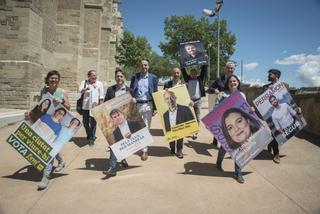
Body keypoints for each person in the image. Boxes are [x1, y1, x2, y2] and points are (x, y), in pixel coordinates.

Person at [25, 70, 70, 190]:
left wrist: (62, 102)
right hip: (44, 121)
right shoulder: (44, 91)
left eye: (56, 78)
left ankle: (46, 177)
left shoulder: (62, 92)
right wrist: (30, 112)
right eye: (52, 78)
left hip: (56, 124)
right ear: (48, 79)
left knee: (48, 150)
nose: (54, 80)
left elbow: (69, 108)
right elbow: (39, 103)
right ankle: (61, 161)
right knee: (47, 146)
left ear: (59, 80)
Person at [215, 74, 248, 183]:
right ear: (227, 84)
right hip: (226, 125)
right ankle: (218, 163)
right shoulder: (222, 94)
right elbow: (215, 109)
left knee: (239, 148)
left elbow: (245, 108)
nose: (233, 83)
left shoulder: (242, 94)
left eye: (235, 81)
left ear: (238, 82)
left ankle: (238, 172)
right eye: (230, 81)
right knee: (225, 147)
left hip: (239, 125)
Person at [103, 69, 135, 177]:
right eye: (117, 76)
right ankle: (112, 168)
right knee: (114, 143)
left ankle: (122, 159)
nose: (119, 78)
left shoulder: (130, 90)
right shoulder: (110, 90)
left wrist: (134, 101)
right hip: (113, 122)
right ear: (115, 78)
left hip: (126, 122)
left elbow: (133, 108)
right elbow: (105, 104)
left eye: (121, 76)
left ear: (124, 78)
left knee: (123, 141)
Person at [130, 58, 158, 161]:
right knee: (137, 127)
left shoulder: (153, 78)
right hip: (137, 105)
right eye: (142, 65)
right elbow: (131, 90)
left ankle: (144, 150)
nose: (144, 67)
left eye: (146, 65)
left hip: (148, 105)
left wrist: (155, 107)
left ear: (148, 66)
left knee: (146, 127)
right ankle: (138, 145)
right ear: (139, 66)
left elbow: (155, 92)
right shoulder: (135, 77)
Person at [208, 61, 236, 146]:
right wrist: (214, 90)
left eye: (231, 68)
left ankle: (228, 142)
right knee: (218, 122)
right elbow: (210, 88)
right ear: (225, 69)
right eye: (228, 68)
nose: (230, 69)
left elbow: (240, 91)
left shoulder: (235, 79)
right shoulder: (219, 79)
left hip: (232, 105)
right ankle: (215, 140)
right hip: (220, 104)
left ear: (234, 69)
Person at [162, 89, 195, 158]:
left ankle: (179, 150)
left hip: (180, 129)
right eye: (167, 98)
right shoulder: (165, 114)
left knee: (180, 135)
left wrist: (193, 132)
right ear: (165, 101)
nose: (170, 100)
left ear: (175, 98)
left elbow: (191, 121)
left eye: (171, 97)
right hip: (171, 132)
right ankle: (172, 148)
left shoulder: (184, 109)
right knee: (171, 135)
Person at [181, 64, 207, 140]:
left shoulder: (200, 79)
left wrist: (205, 60)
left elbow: (203, 71)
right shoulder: (187, 79)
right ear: (190, 74)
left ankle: (195, 133)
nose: (193, 75)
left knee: (198, 117)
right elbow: (183, 70)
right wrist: (181, 61)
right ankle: (189, 130)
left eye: (195, 74)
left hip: (198, 101)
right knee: (188, 117)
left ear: (197, 74)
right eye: (192, 74)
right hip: (189, 101)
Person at [79, 70, 104, 146]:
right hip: (85, 106)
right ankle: (89, 135)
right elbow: (80, 91)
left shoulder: (99, 84)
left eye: (95, 75)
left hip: (94, 107)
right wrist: (86, 88)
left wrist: (100, 105)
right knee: (85, 122)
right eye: (93, 75)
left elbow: (101, 95)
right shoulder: (84, 83)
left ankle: (92, 138)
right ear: (89, 76)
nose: (94, 77)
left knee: (93, 123)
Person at [263, 69, 281, 163]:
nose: (268, 76)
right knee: (276, 132)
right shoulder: (266, 87)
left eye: (270, 74)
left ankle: (270, 143)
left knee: (278, 133)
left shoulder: (283, 86)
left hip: (282, 112)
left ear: (276, 75)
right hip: (271, 113)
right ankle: (276, 154)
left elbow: (288, 98)